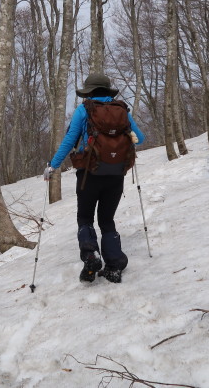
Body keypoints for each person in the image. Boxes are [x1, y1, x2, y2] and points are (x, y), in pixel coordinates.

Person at [44, 73, 145, 284]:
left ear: (89, 92)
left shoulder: (84, 110)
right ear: (108, 91)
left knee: (85, 219)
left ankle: (91, 255)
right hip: (116, 175)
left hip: (89, 174)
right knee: (107, 221)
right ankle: (114, 265)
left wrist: (53, 166)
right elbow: (140, 139)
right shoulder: (122, 111)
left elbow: (69, 140)